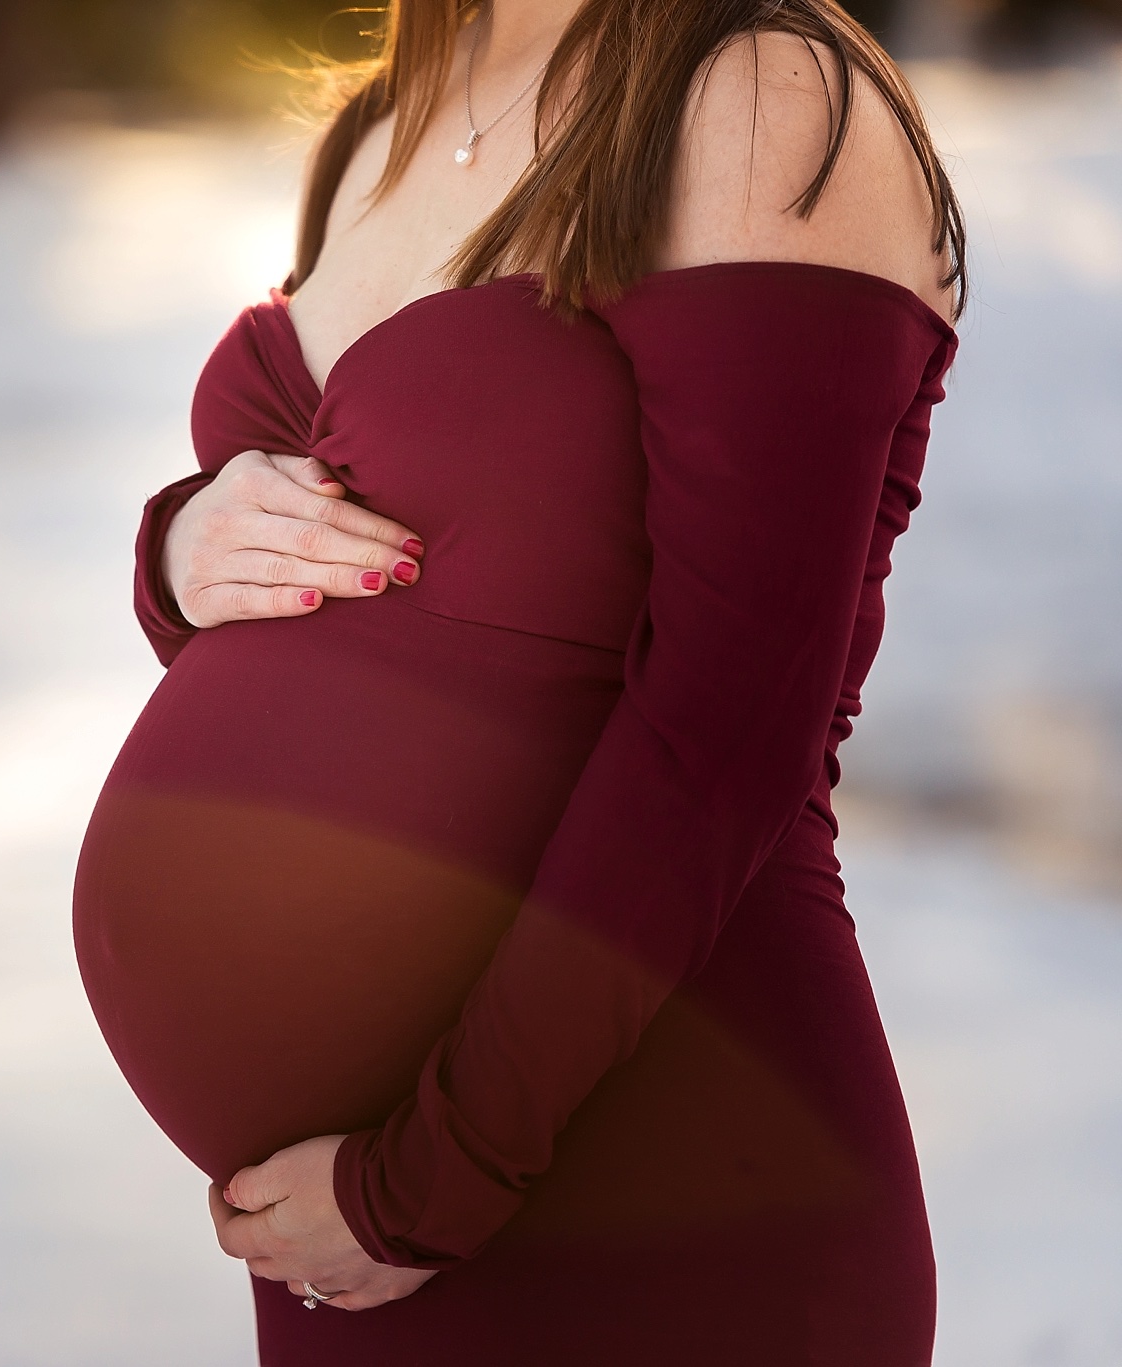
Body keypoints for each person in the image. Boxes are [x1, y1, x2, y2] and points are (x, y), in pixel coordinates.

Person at [70, 0, 966, 1361]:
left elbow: (734, 722)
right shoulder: (386, 117)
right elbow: (408, 583)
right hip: (339, 1241)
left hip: (655, 1182)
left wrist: (431, 1179)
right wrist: (180, 551)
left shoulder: (757, 88)